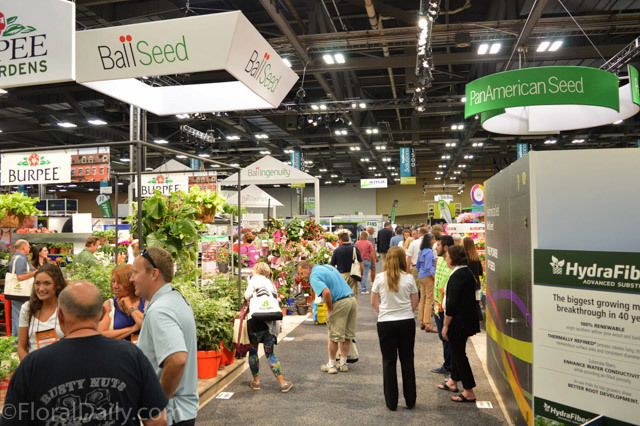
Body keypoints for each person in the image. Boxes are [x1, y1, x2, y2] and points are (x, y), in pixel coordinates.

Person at [1, 281, 168, 425]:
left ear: (60, 315)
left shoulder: (33, 364)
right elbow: (158, 421)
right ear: (102, 314)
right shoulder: (132, 355)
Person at [131, 247, 199, 425]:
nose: (131, 278)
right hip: (181, 412)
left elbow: (177, 359)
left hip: (170, 414)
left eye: (135, 272)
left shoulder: (160, 310)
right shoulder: (174, 299)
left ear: (154, 274)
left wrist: (158, 406)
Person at [370, 246, 419, 411]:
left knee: (389, 362)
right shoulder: (409, 278)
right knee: (407, 360)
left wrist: (383, 312)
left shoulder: (379, 278)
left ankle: (391, 402)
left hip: (386, 323)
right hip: (406, 322)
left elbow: (373, 301)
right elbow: (415, 302)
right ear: (402, 259)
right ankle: (410, 400)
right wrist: (405, 312)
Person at [297, 260, 357, 374]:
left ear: (307, 268)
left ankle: (331, 364)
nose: (302, 276)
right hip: (351, 300)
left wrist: (329, 309)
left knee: (334, 336)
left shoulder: (314, 276)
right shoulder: (328, 267)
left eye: (301, 273)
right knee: (347, 335)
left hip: (339, 302)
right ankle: (343, 363)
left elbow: (326, 292)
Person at [438, 245, 481, 403]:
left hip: (458, 322)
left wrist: (445, 325)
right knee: (457, 352)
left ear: (454, 258)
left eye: (448, 255)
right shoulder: (465, 272)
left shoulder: (458, 275)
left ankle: (469, 391)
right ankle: (453, 381)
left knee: (459, 355)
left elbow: (452, 303)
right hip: (464, 320)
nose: (446, 257)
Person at [244, 262, 293, 393]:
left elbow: (246, 296)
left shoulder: (254, 279)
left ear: (256, 270)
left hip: (255, 321)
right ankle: (283, 383)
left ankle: (256, 382)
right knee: (270, 353)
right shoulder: (271, 284)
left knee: (253, 351)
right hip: (270, 322)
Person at [18, 263, 66, 360]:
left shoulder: (66, 308)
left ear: (58, 285)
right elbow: (21, 347)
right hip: (34, 365)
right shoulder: (27, 308)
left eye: (47, 283)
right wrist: (29, 366)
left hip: (61, 365)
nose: (41, 288)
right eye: (38, 283)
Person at [98, 264, 146, 341]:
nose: (115, 286)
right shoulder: (109, 304)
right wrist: (133, 328)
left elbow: (147, 325)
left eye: (120, 282)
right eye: (113, 281)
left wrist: (130, 306)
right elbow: (101, 335)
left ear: (131, 283)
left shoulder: (145, 301)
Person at [431, 235, 455, 374]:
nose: (436, 247)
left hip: (447, 306)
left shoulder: (453, 263)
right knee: (442, 336)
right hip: (437, 303)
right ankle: (447, 365)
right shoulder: (440, 259)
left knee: (448, 337)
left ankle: (451, 368)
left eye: (438, 245)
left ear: (445, 247)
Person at [6, 239, 37, 337]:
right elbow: (20, 277)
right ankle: (19, 339)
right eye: (28, 246)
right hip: (21, 292)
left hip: (17, 293)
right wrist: (35, 273)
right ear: (23, 247)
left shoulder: (16, 257)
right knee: (20, 316)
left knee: (17, 315)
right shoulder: (20, 259)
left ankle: (15, 340)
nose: (29, 249)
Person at [330, 232, 364, 297]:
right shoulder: (354, 249)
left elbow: (332, 265)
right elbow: (361, 263)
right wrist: (362, 274)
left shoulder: (337, 250)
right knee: (353, 295)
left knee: (343, 295)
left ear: (340, 240)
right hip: (353, 275)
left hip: (341, 276)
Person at [416, 233, 436, 332]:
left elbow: (417, 264)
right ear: (430, 240)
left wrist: (421, 272)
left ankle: (422, 321)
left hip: (421, 275)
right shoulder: (429, 252)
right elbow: (428, 267)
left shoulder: (421, 251)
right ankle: (427, 322)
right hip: (428, 276)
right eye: (433, 239)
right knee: (429, 299)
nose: (434, 241)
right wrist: (434, 278)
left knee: (423, 298)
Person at [463, 236, 484, 323]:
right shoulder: (476, 257)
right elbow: (480, 272)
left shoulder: (463, 258)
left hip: (466, 284)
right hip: (476, 284)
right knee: (476, 303)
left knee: (466, 304)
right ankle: (478, 321)